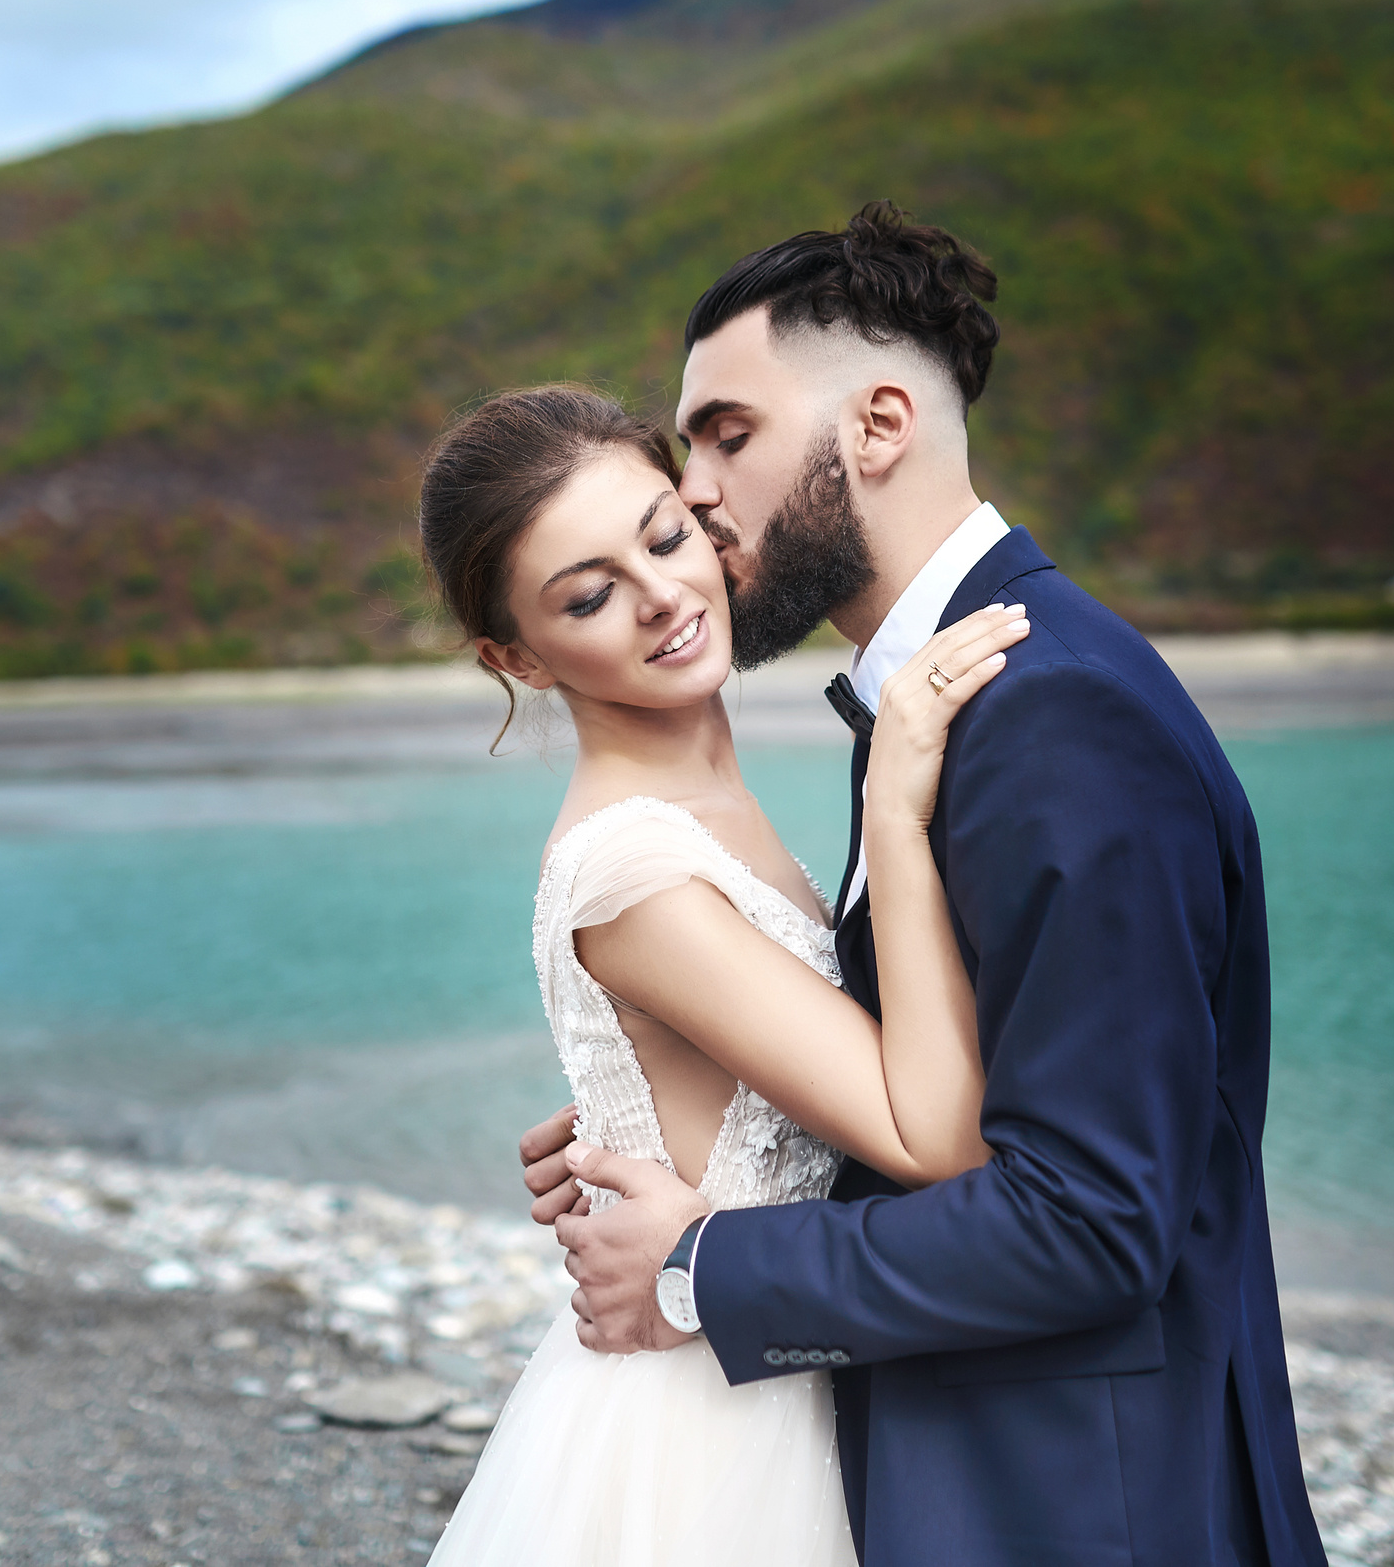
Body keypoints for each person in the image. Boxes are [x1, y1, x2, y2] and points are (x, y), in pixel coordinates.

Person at [517, 202, 1327, 1565]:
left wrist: (704, 1265)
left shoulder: (1050, 713)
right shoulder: (938, 702)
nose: (697, 495)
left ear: (877, 426)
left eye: (727, 435)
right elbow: (971, 1082)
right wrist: (673, 1106)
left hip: (1081, 1504)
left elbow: (1091, 1223)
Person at [416, 381, 1030, 1564]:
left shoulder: (698, 805)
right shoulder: (636, 866)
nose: (662, 597)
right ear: (518, 657)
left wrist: (613, 1119)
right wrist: (897, 813)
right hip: (712, 1420)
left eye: (663, 534)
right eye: (589, 596)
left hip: (772, 1349)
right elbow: (936, 1140)